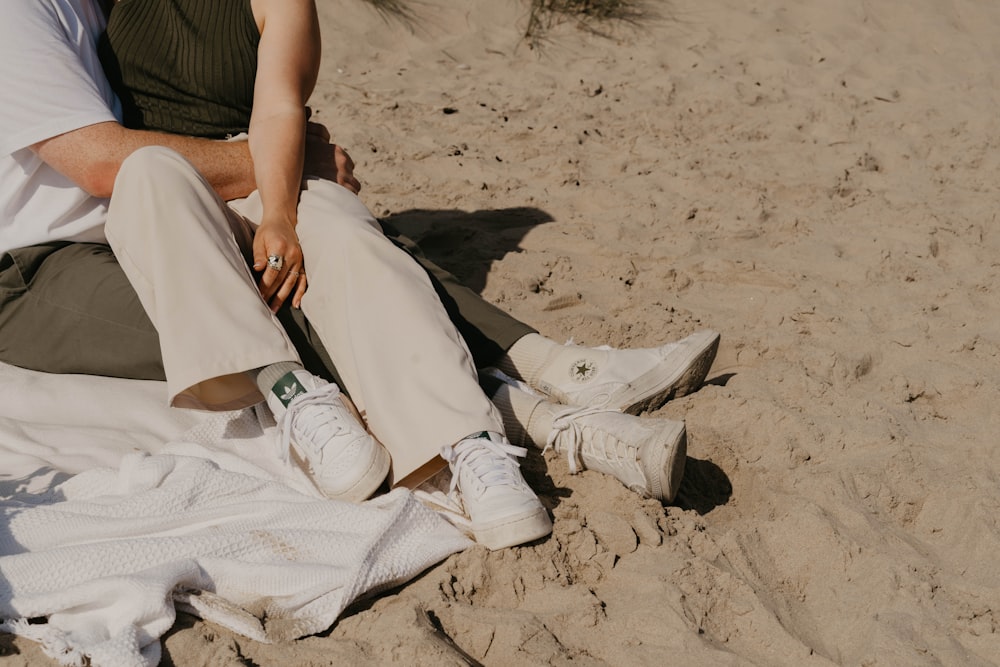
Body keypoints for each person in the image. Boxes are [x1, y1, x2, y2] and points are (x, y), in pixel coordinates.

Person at [0, 0, 718, 546]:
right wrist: (285, 165)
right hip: (47, 265)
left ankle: (505, 420)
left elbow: (273, 98)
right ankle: (542, 413)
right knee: (278, 283)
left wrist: (280, 195)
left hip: (168, 212)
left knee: (347, 243)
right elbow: (104, 162)